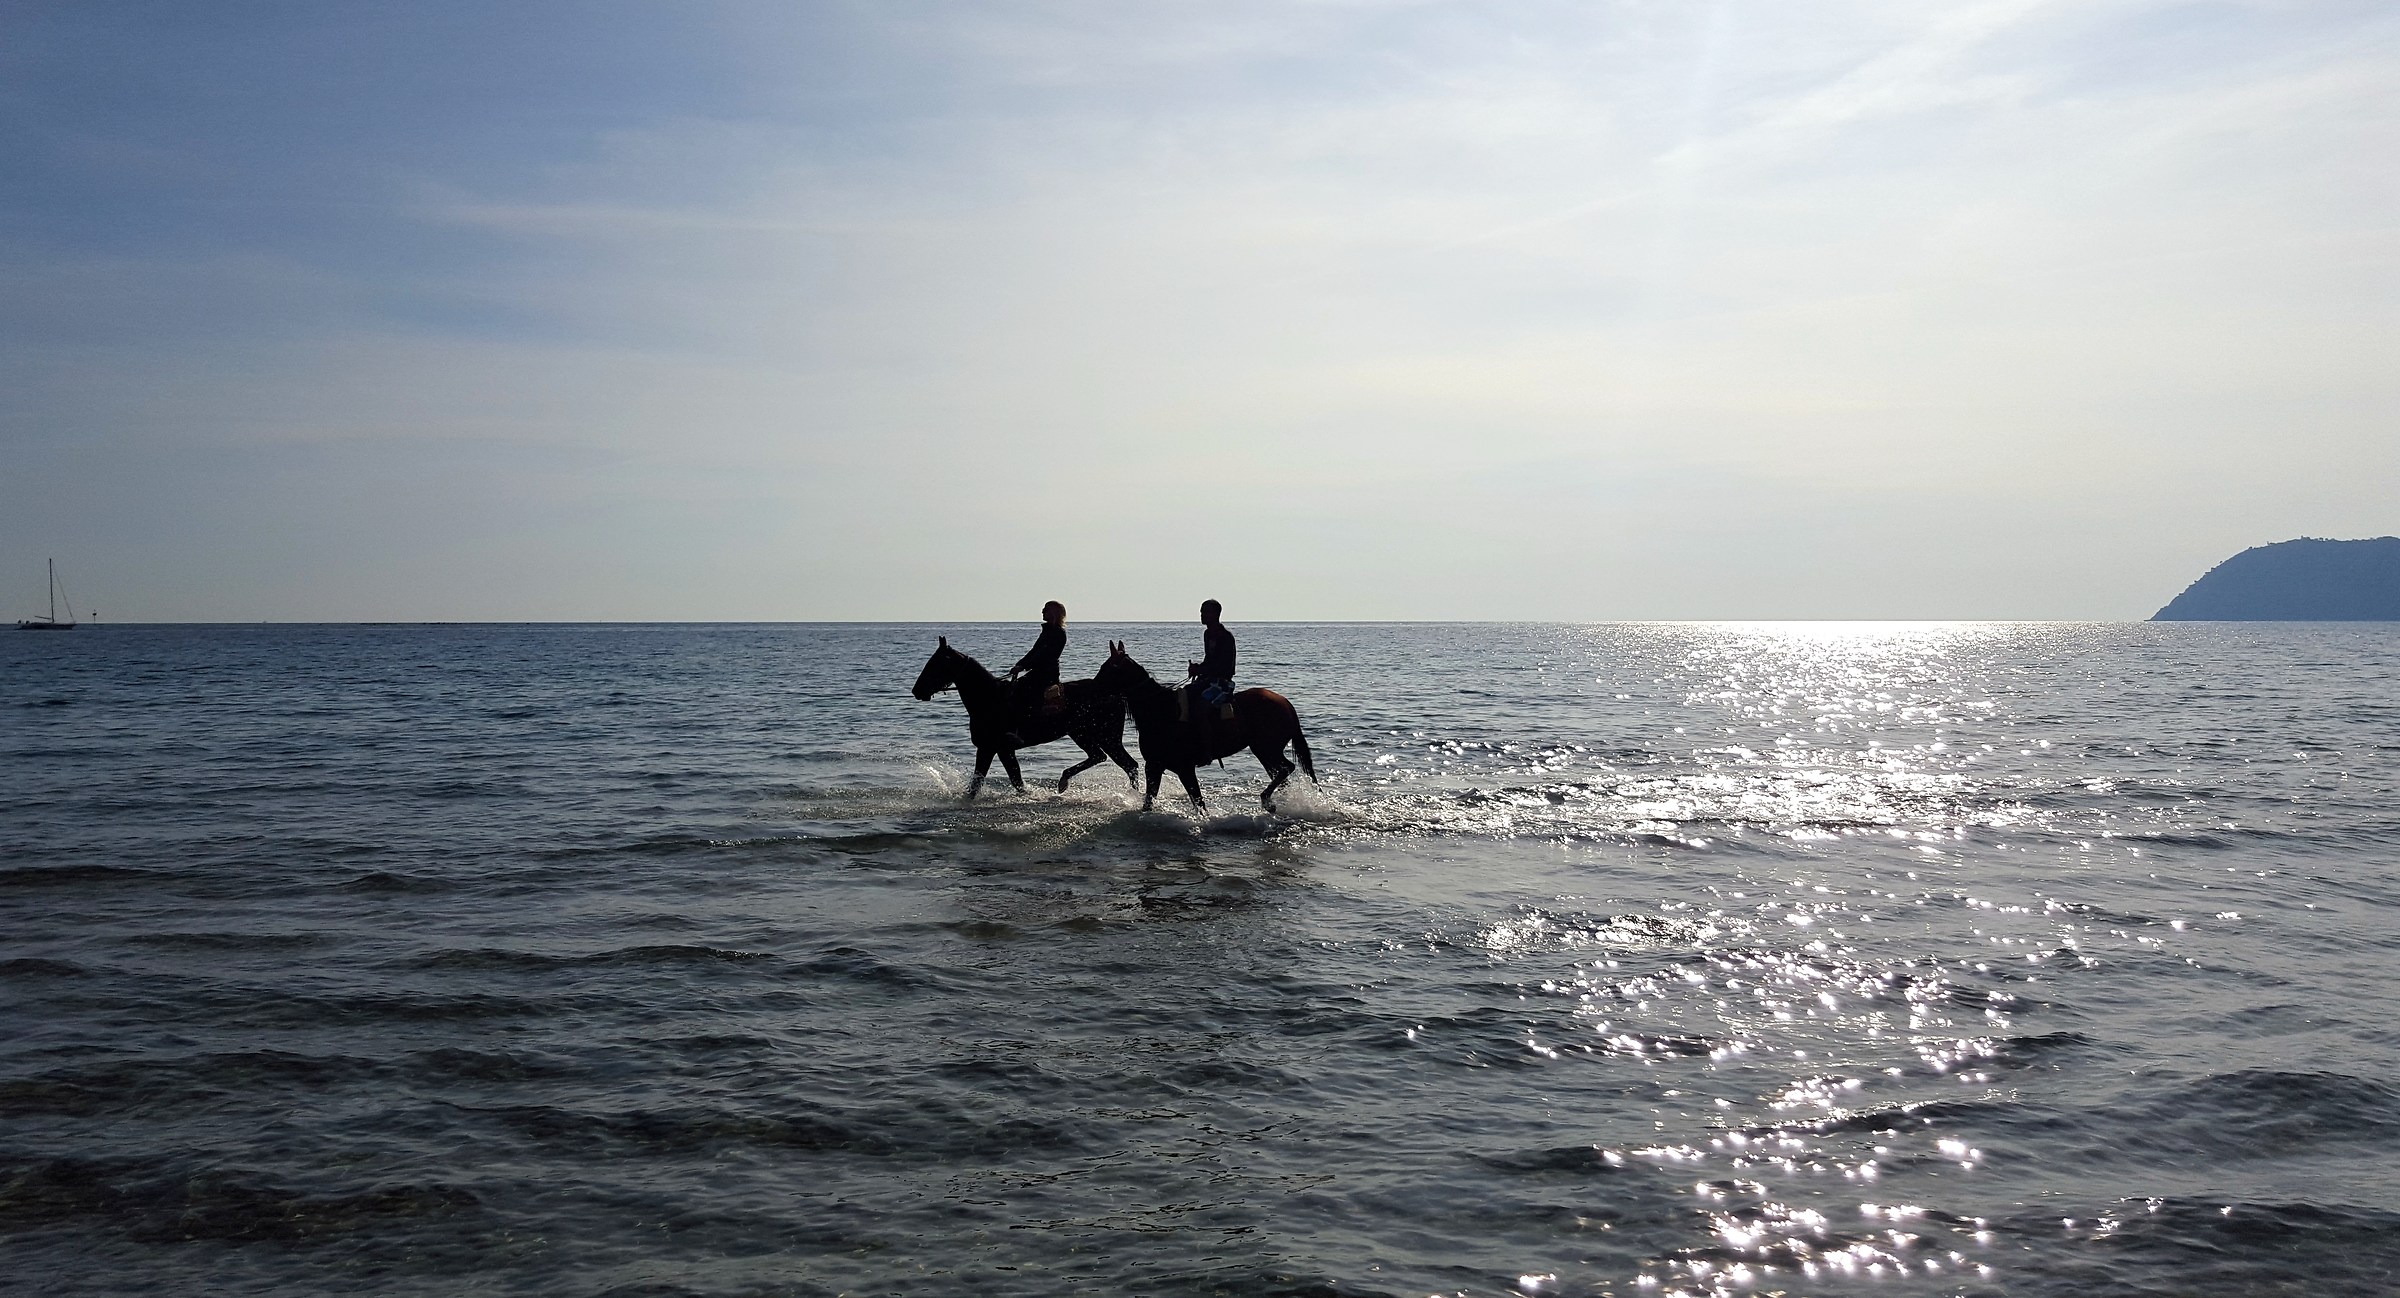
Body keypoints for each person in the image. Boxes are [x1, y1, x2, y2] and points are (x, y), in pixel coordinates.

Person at [1006, 600, 1068, 719]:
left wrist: (1023, 666)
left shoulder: (1058, 633)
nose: (1042, 611)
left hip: (1047, 674)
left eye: (1046, 609)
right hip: (1039, 672)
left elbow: (1045, 655)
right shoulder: (1048, 631)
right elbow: (1034, 651)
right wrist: (1019, 665)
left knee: (1024, 690)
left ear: (1053, 613)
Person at [1187, 598, 1235, 720]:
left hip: (1222, 682)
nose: (1202, 615)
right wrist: (1198, 668)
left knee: (1202, 706)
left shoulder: (1225, 636)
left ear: (1217, 614)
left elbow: (1224, 667)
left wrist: (1201, 670)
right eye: (1202, 612)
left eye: (1206, 612)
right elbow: (1209, 660)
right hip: (1208, 679)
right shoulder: (1207, 634)